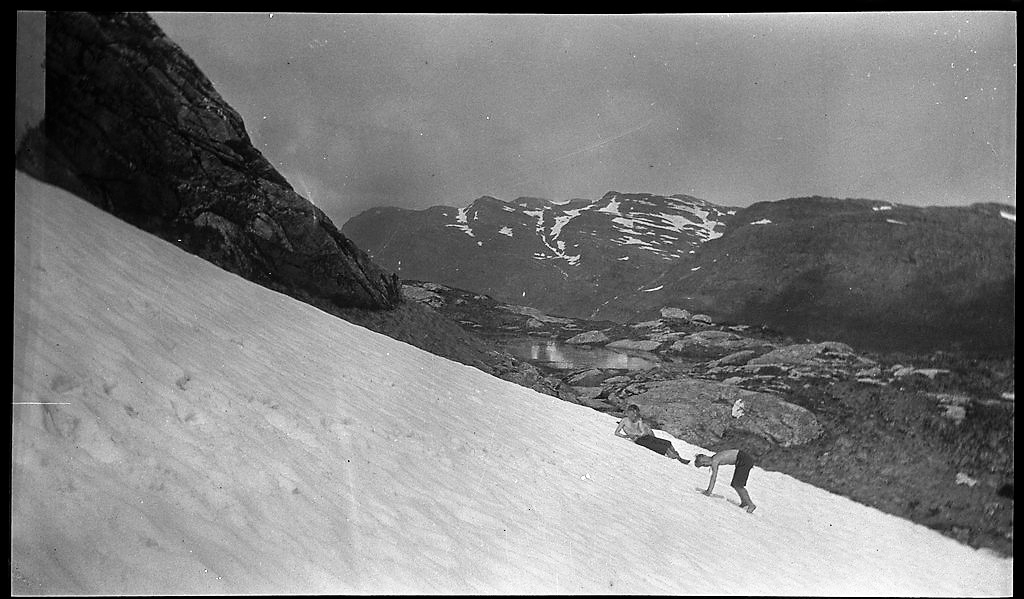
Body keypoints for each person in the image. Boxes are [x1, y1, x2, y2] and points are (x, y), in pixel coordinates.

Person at [614, 404, 690, 464]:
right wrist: (625, 436)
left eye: (635, 413)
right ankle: (675, 457)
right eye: (633, 413)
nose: (634, 415)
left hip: (644, 436)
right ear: (629, 412)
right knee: (662, 447)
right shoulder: (624, 421)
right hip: (638, 440)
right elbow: (616, 432)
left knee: (668, 443)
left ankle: (679, 457)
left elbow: (642, 431)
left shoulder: (637, 420)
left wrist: (641, 427)